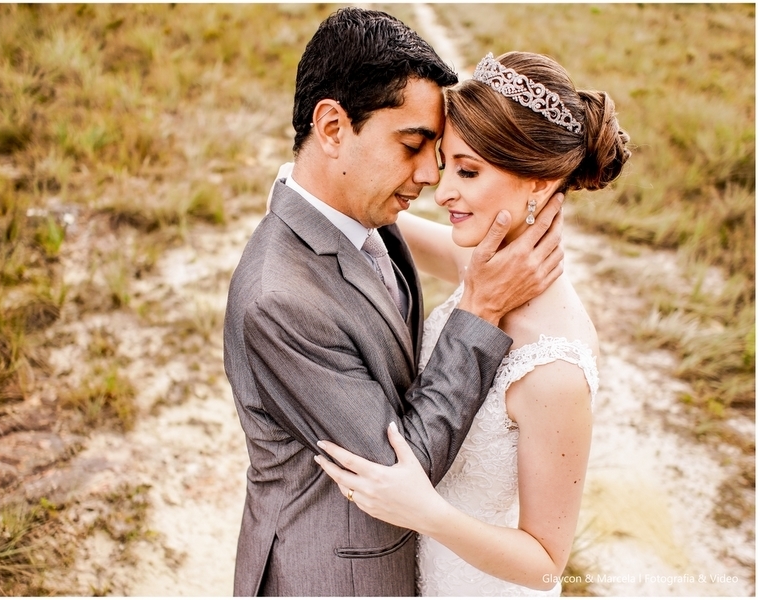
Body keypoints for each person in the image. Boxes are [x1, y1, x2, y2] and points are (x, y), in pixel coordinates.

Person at [222, 8, 565, 595]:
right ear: (332, 128)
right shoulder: (277, 300)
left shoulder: (359, 209)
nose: (431, 174)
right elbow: (399, 469)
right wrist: (479, 311)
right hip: (335, 577)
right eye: (413, 144)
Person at [315, 50, 632, 596]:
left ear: (538, 183)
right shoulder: (486, 264)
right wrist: (322, 188)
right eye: (446, 164)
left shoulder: (555, 365)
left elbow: (546, 560)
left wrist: (426, 512)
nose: (443, 192)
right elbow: (396, 227)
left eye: (468, 171)